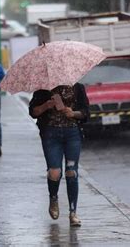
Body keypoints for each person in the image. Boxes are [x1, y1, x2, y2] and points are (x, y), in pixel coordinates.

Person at [28, 83, 89, 227]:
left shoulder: (77, 87)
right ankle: (53, 198)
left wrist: (73, 113)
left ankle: (73, 213)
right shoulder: (43, 90)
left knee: (71, 172)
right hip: (51, 134)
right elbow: (33, 112)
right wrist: (46, 106)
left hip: (72, 134)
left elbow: (86, 112)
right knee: (54, 172)